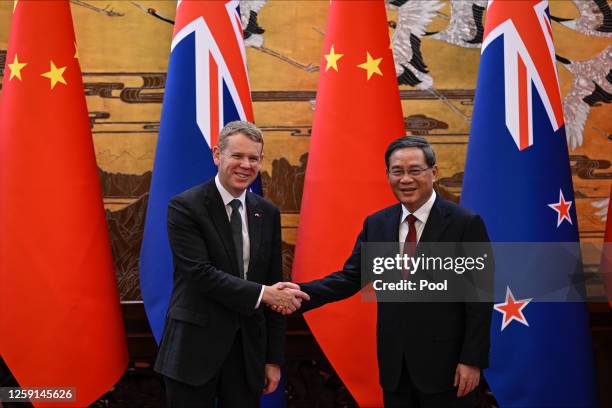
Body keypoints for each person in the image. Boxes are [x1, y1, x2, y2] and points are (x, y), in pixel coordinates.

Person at [279, 136, 492, 407]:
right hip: (395, 366)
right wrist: (301, 293)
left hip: (447, 368)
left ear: (434, 172)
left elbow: (480, 299)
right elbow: (350, 277)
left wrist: (472, 360)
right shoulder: (377, 224)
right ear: (387, 174)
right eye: (397, 171)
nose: (406, 179)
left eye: (415, 170)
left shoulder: (465, 224)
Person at [154, 120, 309, 408]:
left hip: (246, 355)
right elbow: (200, 274)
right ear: (217, 155)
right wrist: (264, 294)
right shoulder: (186, 206)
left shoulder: (268, 213)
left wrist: (273, 359)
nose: (246, 165)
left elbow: (275, 283)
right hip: (193, 351)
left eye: (253, 158)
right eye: (237, 156)